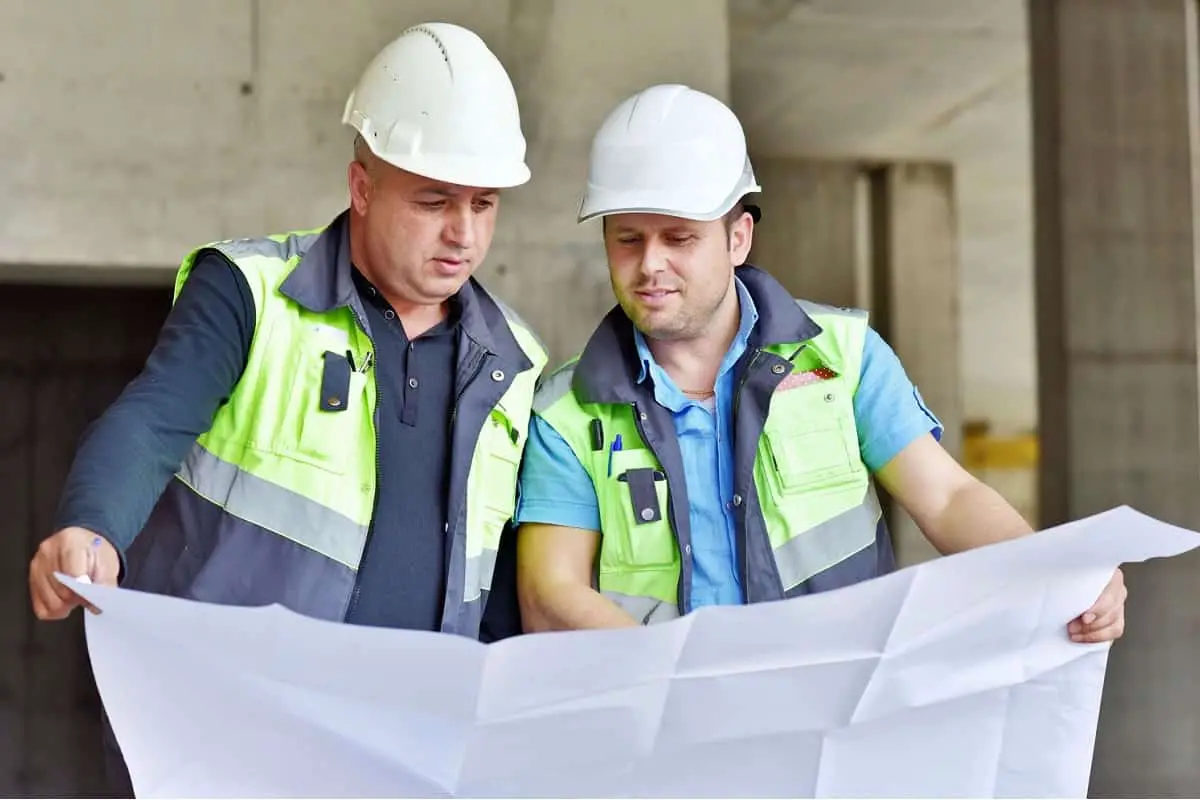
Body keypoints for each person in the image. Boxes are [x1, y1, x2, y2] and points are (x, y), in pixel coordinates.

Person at [27, 22, 546, 795]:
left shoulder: (515, 360)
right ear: (363, 187)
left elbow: (500, 578)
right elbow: (151, 420)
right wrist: (91, 525)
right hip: (230, 734)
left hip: (411, 750)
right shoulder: (250, 292)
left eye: (483, 204)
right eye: (434, 200)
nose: (463, 233)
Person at [514, 83, 1126, 642]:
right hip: (667, 733)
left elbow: (946, 499)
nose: (649, 265)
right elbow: (550, 594)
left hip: (834, 718)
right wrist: (680, 688)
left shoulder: (842, 356)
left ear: (738, 238)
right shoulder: (565, 412)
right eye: (628, 238)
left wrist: (1060, 577)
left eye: (678, 238)